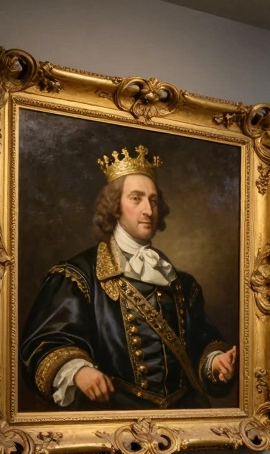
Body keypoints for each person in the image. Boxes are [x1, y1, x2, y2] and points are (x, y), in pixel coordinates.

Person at [20, 145, 237, 410]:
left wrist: (215, 363)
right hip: (113, 418)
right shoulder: (77, 277)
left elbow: (201, 342)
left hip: (181, 417)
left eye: (153, 200)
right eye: (136, 198)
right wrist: (77, 371)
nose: (148, 210)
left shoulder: (183, 284)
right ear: (114, 207)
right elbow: (43, 346)